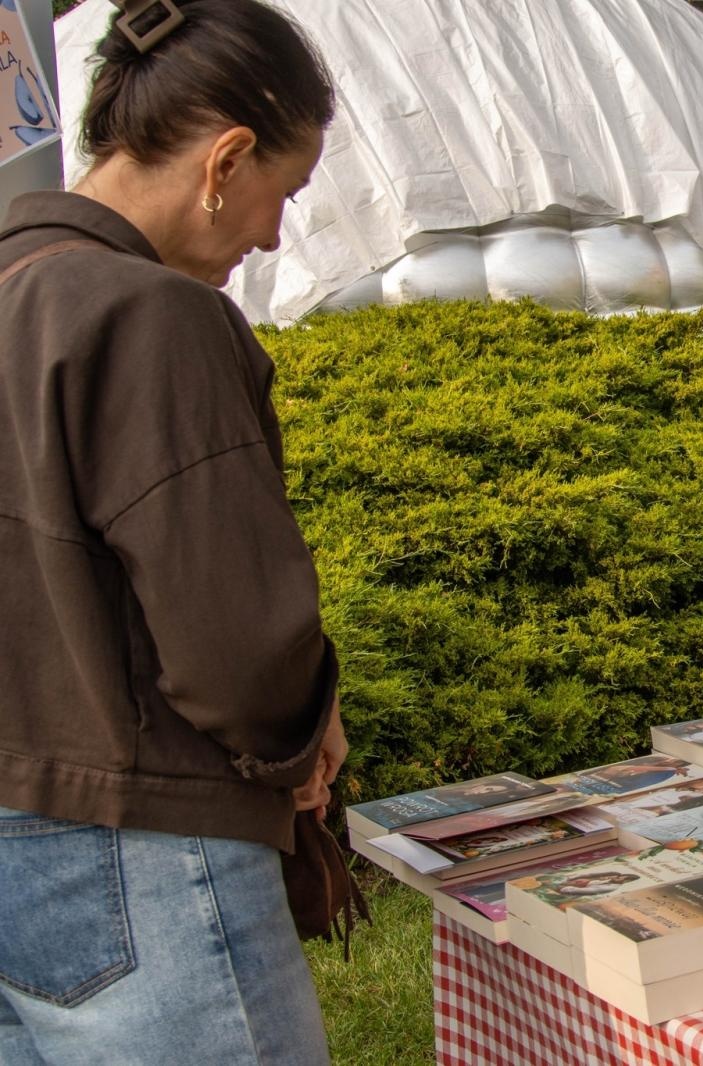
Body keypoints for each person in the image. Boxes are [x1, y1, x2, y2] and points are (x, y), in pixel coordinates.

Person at [0, 2, 343, 1061]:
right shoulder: (151, 314)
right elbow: (238, 643)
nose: (273, 235)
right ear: (224, 159)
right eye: (280, 192)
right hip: (137, 842)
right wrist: (305, 734)